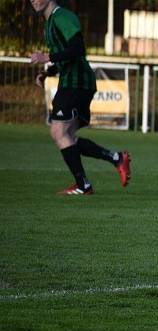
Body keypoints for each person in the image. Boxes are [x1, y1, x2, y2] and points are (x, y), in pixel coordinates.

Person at [29, 0, 131, 196]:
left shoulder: (62, 17)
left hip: (77, 83)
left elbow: (78, 48)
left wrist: (47, 57)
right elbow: (67, 56)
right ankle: (116, 158)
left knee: (59, 132)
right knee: (66, 137)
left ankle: (83, 185)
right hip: (73, 82)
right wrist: (48, 73)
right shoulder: (50, 22)